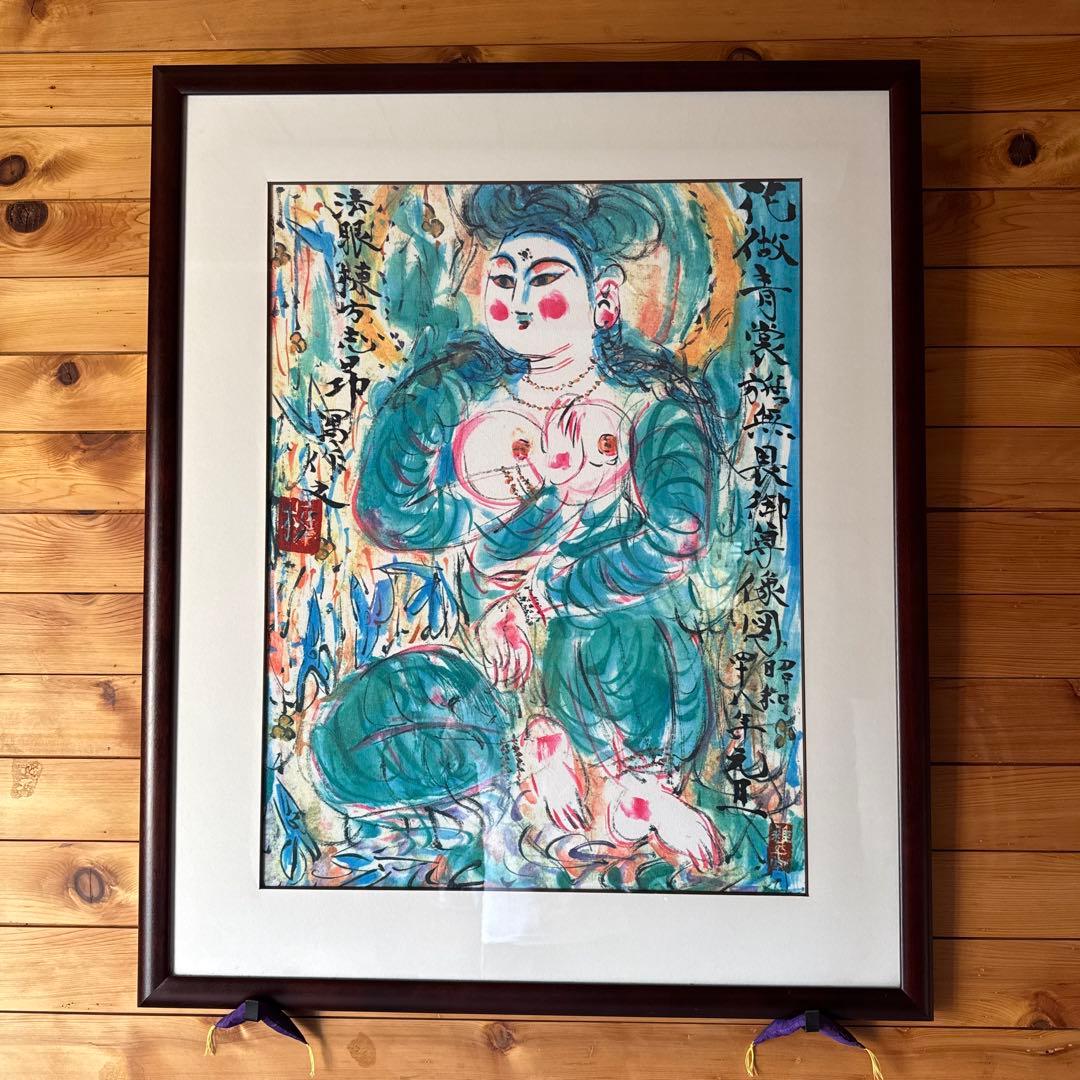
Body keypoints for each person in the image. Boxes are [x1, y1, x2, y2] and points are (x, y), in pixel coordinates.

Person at [309, 183, 737, 876]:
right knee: (389, 716)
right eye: (504, 281)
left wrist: (541, 597)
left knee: (603, 642)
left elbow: (674, 538)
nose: (520, 301)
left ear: (603, 299)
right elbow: (390, 513)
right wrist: (469, 473)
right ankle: (524, 766)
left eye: (544, 281)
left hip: (612, 653)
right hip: (489, 646)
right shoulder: (471, 398)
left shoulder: (651, 408)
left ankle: (636, 788)